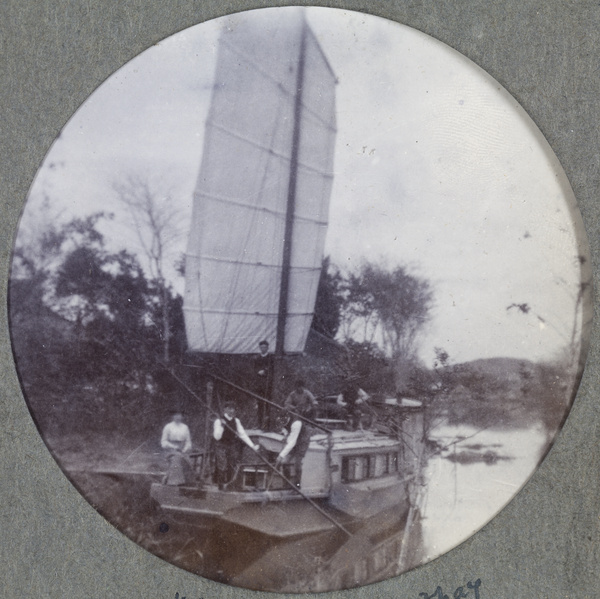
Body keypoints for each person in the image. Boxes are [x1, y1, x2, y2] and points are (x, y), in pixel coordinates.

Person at [213, 402, 260, 489]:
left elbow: (243, 434)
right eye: (230, 408)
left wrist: (252, 446)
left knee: (232, 464)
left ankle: (230, 485)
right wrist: (222, 426)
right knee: (222, 465)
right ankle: (221, 486)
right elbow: (217, 437)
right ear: (225, 409)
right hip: (221, 445)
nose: (232, 410)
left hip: (231, 445)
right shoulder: (218, 421)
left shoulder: (236, 421)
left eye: (233, 408)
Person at [274, 411, 313, 488]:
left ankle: (297, 486)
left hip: (302, 440)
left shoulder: (296, 423)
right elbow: (287, 435)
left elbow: (292, 442)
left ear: (287, 418)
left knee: (297, 464)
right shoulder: (282, 421)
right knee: (284, 462)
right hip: (293, 437)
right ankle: (286, 484)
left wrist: (281, 455)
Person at [160, 411, 193, 485]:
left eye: (179, 415)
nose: (178, 417)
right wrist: (173, 446)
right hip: (170, 450)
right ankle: (174, 482)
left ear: (182, 416)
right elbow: (163, 442)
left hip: (182, 450)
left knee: (186, 459)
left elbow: (188, 442)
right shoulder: (168, 427)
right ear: (172, 416)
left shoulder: (185, 427)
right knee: (177, 458)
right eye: (176, 415)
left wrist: (185, 449)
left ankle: (186, 481)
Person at [253, 339, 273, 428]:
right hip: (259, 385)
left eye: (265, 347)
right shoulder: (257, 358)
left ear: (267, 348)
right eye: (261, 347)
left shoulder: (270, 358)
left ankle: (267, 425)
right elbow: (254, 369)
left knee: (267, 404)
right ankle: (259, 424)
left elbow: (272, 369)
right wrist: (258, 372)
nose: (263, 349)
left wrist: (265, 371)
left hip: (267, 384)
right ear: (260, 348)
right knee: (260, 405)